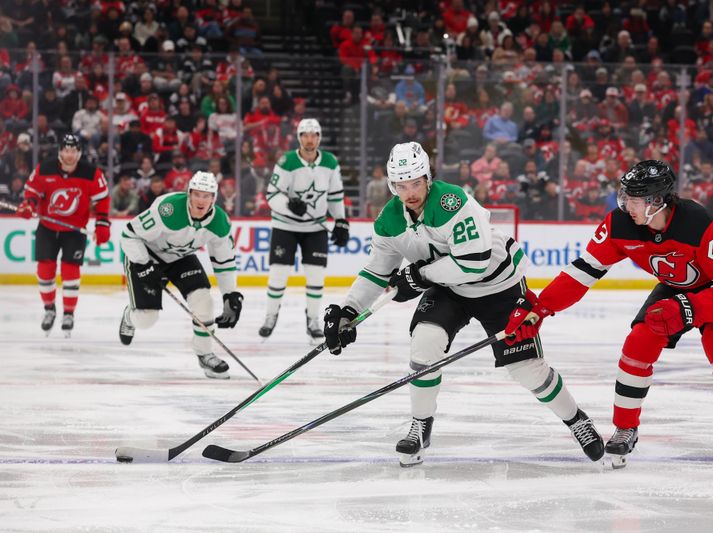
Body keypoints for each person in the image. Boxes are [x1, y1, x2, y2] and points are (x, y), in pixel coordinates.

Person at [323, 141, 603, 467]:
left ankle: (576, 419)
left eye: (415, 182)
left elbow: (474, 263)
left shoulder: (452, 201)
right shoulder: (389, 219)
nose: (410, 191)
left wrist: (417, 277)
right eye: (401, 185)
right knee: (425, 344)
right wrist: (349, 310)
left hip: (498, 285)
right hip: (447, 287)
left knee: (526, 370)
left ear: (428, 178)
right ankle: (420, 425)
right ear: (392, 185)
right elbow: (377, 271)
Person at [504, 160, 713, 476]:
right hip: (678, 283)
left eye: (633, 199)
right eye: (624, 196)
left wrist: (688, 308)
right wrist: (542, 306)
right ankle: (625, 429)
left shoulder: (697, 222)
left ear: (657, 201)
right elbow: (583, 271)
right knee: (639, 342)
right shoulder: (619, 224)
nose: (624, 204)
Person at [117, 172, 244, 379]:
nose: (201, 200)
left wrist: (230, 294)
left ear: (214, 198)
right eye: (197, 195)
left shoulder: (220, 222)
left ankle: (205, 353)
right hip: (146, 255)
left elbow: (225, 261)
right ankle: (129, 316)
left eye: (207, 196)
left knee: (204, 302)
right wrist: (144, 265)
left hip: (180, 258)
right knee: (146, 319)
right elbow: (129, 236)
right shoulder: (168, 209)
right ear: (189, 194)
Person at [260, 119, 349, 342]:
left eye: (314, 135)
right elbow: (272, 195)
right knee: (278, 274)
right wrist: (288, 205)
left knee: (316, 275)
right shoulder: (287, 161)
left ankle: (313, 320)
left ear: (319, 137)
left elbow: (336, 194)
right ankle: (270, 316)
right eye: (305, 135)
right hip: (284, 226)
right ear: (299, 138)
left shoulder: (330, 162)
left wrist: (341, 221)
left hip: (315, 227)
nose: (310, 139)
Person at [16, 134, 111, 336]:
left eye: (73, 151)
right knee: (45, 270)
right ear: (60, 152)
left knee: (70, 271)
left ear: (79, 153)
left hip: (75, 232)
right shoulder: (45, 168)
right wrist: (28, 206)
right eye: (66, 151)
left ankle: (68, 313)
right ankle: (49, 309)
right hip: (48, 228)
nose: (69, 155)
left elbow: (102, 199)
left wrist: (102, 223)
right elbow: (32, 193)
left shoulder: (91, 173)